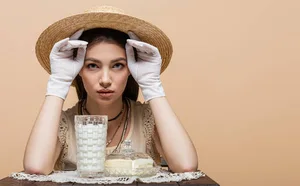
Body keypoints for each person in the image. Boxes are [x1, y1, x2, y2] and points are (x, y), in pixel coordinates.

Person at [22, 6, 198, 175]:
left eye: (118, 65)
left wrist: (151, 85)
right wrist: (59, 82)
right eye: (92, 65)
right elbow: (36, 168)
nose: (105, 80)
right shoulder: (64, 125)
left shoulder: (147, 119)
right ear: (78, 70)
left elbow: (186, 166)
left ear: (131, 69)